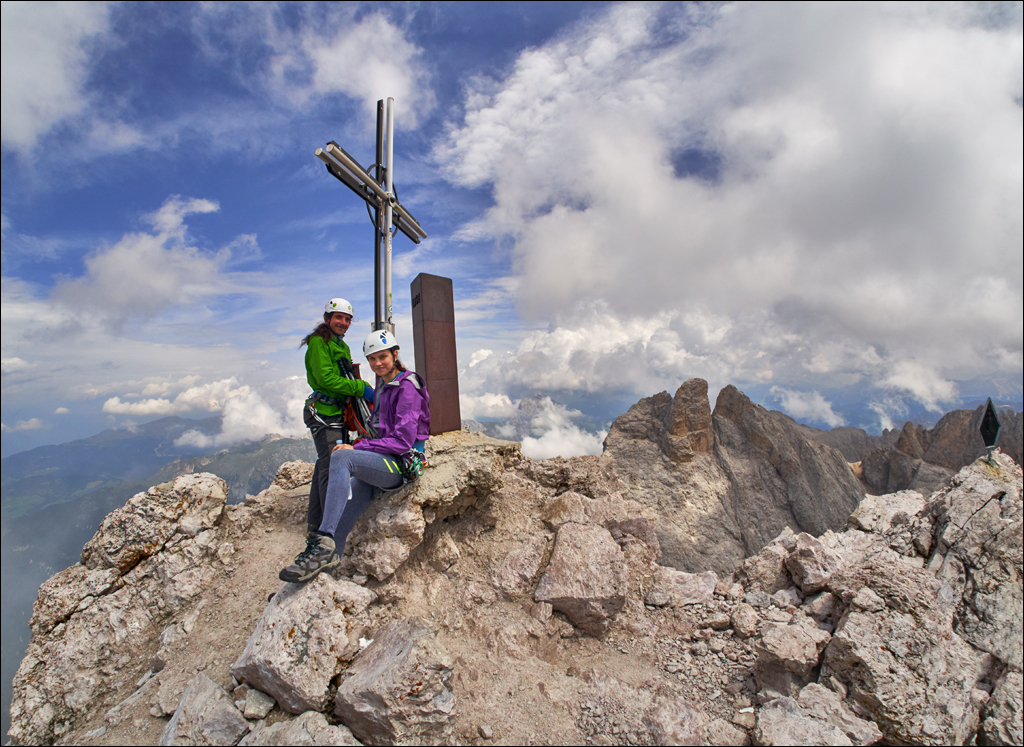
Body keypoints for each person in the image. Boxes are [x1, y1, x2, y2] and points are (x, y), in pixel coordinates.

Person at [280, 328, 430, 583]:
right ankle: (316, 576)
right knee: (343, 512)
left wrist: (358, 448)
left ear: (395, 354)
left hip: (403, 464)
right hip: (384, 462)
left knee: (341, 457)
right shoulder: (384, 386)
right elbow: (379, 429)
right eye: (372, 359)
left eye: (382, 356)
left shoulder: (406, 386)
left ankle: (323, 542)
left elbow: (402, 440)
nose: (377, 363)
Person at [300, 298, 374, 541]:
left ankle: (315, 523)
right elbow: (326, 379)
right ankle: (326, 530)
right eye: (339, 317)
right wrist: (360, 387)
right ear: (327, 319)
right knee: (332, 468)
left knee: (324, 466)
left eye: (347, 319)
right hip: (324, 414)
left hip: (336, 414)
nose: (343, 322)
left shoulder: (340, 345)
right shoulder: (319, 343)